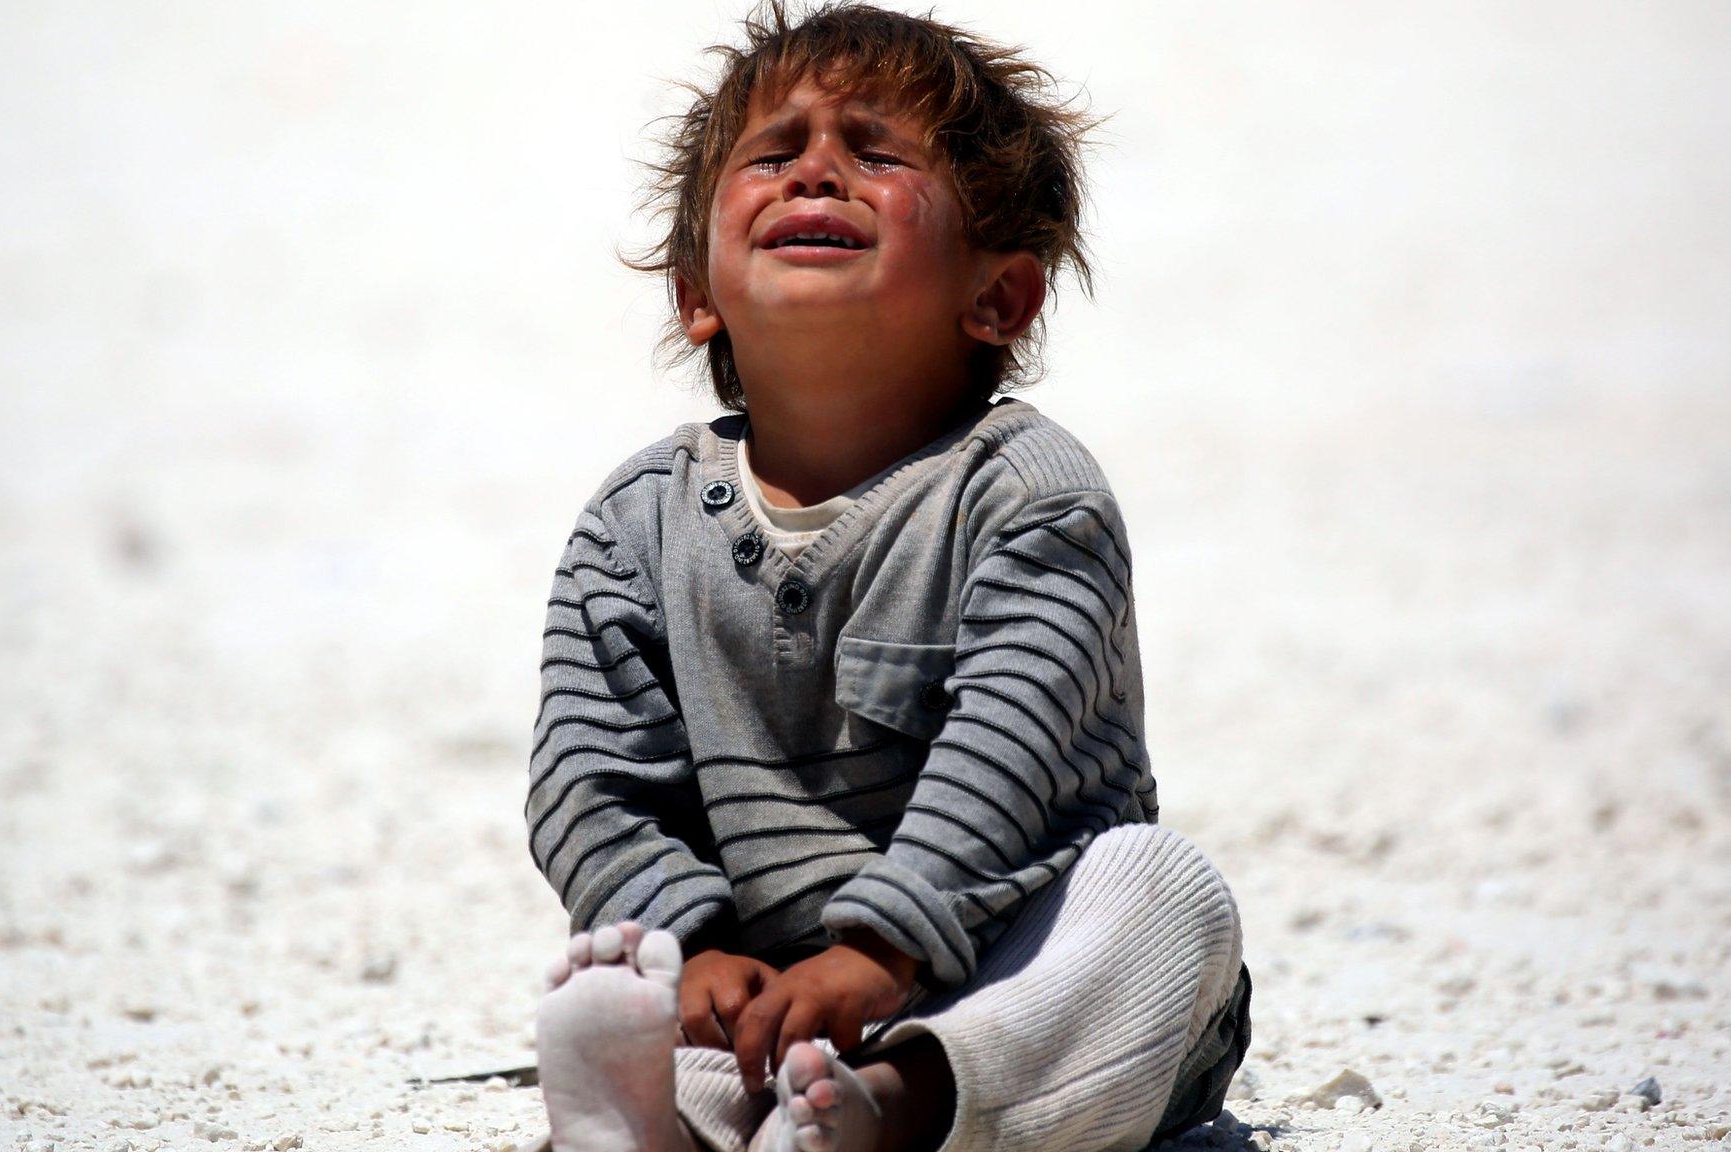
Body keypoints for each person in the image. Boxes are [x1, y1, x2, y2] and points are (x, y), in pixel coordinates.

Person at [521, 4, 1250, 1151]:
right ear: (693, 290)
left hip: (1005, 961)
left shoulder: (1026, 494)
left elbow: (1005, 749)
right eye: (774, 152)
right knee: (663, 1006)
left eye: (874, 153)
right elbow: (591, 779)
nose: (817, 170)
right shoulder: (636, 524)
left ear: (996, 297)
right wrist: (692, 944)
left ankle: (895, 1112)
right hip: (764, 993)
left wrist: (884, 949)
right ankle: (654, 1125)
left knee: (1162, 895)